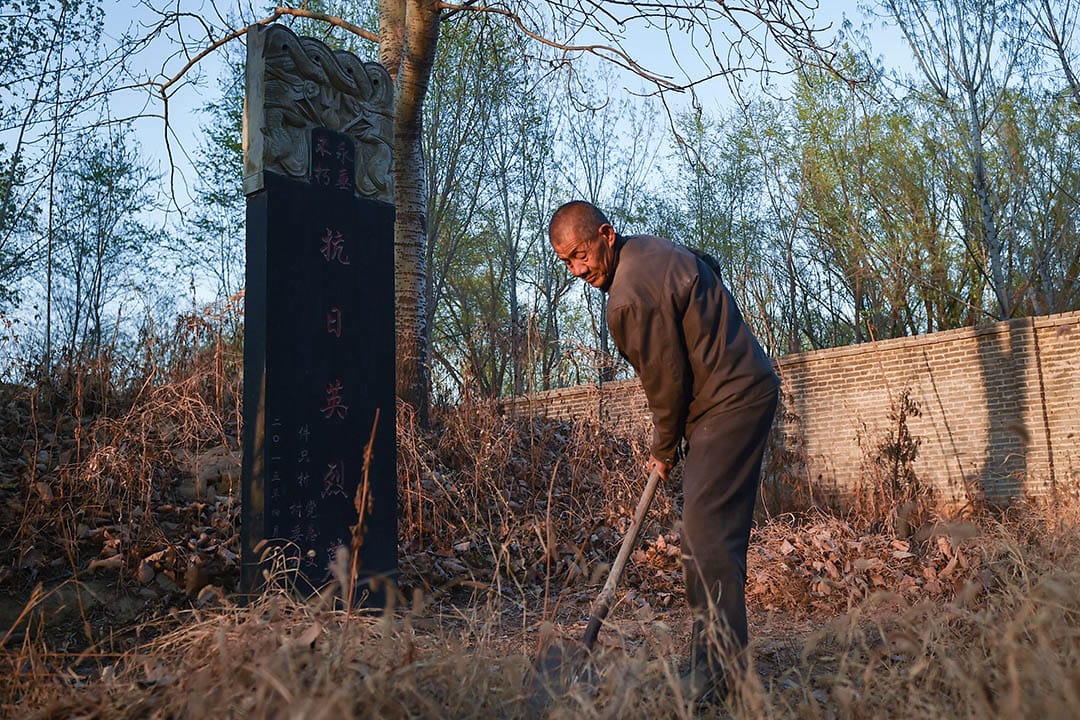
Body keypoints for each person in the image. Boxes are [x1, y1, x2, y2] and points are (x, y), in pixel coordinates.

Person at [548, 200, 780, 703]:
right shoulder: (648, 252)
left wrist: (663, 447)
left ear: (606, 235)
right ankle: (716, 661)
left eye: (581, 255)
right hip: (734, 395)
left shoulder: (627, 298)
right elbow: (707, 263)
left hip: (731, 400)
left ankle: (717, 673)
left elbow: (666, 382)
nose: (578, 271)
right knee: (709, 535)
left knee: (706, 533)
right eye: (566, 262)